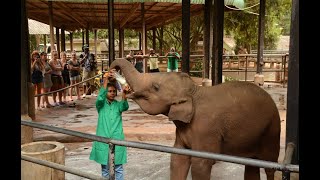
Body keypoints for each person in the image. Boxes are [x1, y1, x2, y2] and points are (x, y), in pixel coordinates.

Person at [89, 69, 131, 180]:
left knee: (118, 168)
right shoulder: (101, 105)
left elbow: (125, 106)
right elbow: (100, 97)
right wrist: (106, 79)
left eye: (114, 91)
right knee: (105, 168)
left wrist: (124, 94)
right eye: (110, 91)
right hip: (104, 138)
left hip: (117, 137)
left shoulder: (118, 105)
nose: (112, 93)